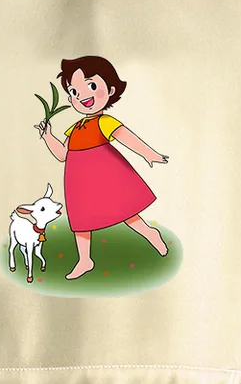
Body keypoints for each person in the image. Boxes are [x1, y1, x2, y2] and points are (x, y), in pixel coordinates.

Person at [35, 55, 170, 280]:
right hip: (78, 180)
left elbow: (127, 138)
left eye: (91, 86)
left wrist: (149, 154)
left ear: (111, 90)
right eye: (74, 92)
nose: (82, 96)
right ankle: (85, 260)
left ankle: (150, 233)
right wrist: (48, 136)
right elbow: (62, 154)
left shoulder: (104, 122)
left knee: (125, 211)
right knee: (80, 219)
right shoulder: (74, 128)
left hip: (105, 175)